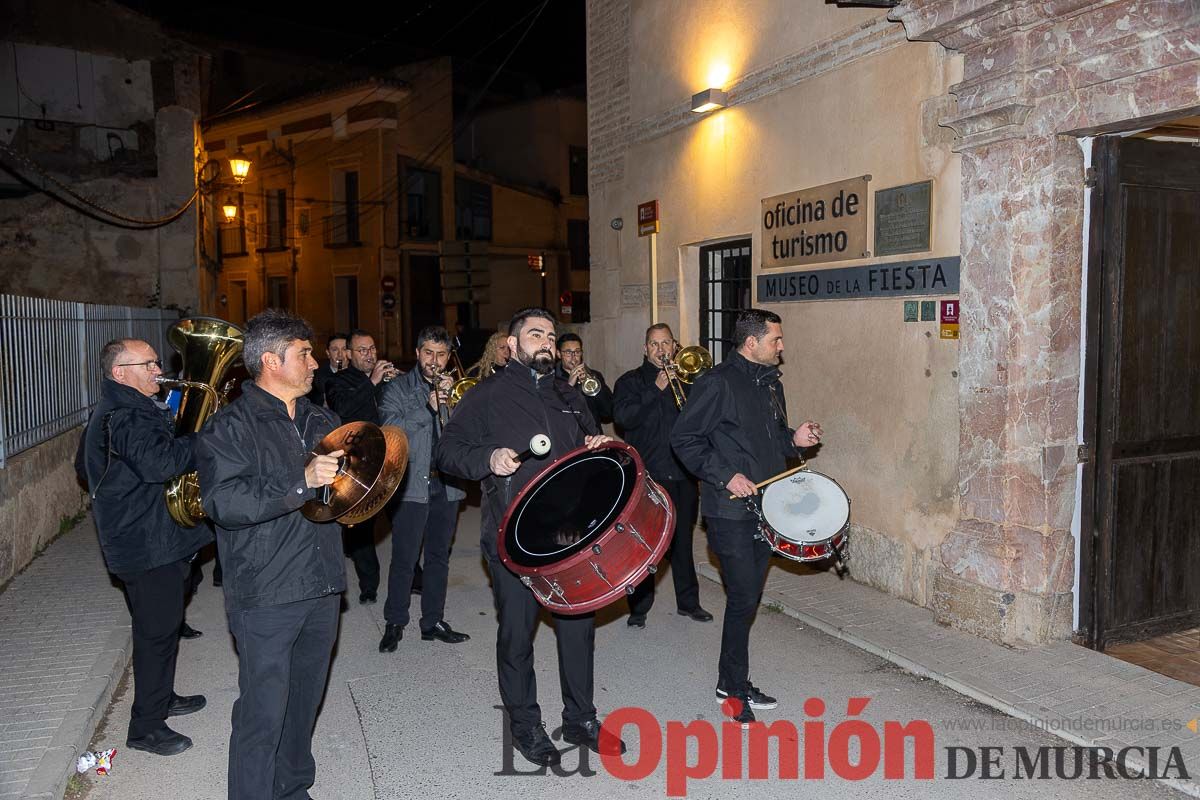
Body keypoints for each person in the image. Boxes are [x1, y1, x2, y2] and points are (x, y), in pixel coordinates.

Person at [437, 307, 626, 766]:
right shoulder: (487, 395)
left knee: (577, 630)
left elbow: (588, 445)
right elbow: (447, 451)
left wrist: (596, 447)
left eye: (550, 335)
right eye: (535, 334)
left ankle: (581, 719)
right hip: (513, 537)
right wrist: (489, 457)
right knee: (517, 636)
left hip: (568, 537)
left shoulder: (568, 393)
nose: (546, 341)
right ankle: (525, 725)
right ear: (513, 345)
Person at [195, 309, 345, 800]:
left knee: (304, 704)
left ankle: (292, 788)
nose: (316, 363)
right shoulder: (230, 427)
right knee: (263, 711)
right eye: (304, 353)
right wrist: (301, 481)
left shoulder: (322, 419)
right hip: (266, 591)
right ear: (270, 361)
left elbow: (339, 497)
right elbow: (225, 503)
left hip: (321, 582)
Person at [670, 309, 822, 727]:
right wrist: (724, 475)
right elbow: (684, 438)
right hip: (729, 510)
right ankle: (733, 689)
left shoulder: (771, 384)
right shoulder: (717, 383)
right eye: (776, 340)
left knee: (749, 597)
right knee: (742, 597)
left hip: (768, 506)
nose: (782, 347)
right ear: (751, 343)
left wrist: (795, 439)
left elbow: (773, 439)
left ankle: (731, 681)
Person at [80, 338, 212, 756]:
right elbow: (161, 464)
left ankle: (162, 698)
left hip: (150, 538)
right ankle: (145, 727)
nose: (159, 368)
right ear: (121, 373)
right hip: (145, 544)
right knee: (155, 634)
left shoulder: (121, 409)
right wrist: (203, 440)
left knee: (164, 627)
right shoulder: (126, 416)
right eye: (149, 364)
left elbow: (82, 467)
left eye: (157, 361)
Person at [376, 325, 470, 652]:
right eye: (428, 353)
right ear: (418, 353)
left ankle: (432, 621)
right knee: (404, 558)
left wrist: (455, 403)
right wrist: (428, 407)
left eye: (441, 354)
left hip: (446, 485)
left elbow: (468, 433)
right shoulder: (398, 389)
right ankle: (394, 622)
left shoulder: (453, 389)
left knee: (438, 558)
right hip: (411, 484)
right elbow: (390, 433)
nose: (434, 360)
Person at [613, 324, 712, 629]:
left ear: (674, 346)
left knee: (682, 541)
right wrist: (654, 389)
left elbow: (702, 421)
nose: (660, 349)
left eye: (665, 343)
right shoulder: (629, 382)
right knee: (647, 545)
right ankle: (639, 608)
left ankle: (689, 603)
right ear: (645, 349)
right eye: (654, 344)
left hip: (682, 474)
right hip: (648, 477)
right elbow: (624, 418)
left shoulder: (688, 380)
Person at [325, 329, 397, 604]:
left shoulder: (387, 379)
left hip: (391, 459)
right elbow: (343, 410)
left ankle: (413, 574)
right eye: (362, 350)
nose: (370, 355)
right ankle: (369, 584)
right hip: (359, 464)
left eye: (372, 349)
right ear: (350, 355)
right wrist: (372, 382)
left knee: (402, 520)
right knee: (362, 527)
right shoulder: (338, 381)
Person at [556, 333, 613, 428]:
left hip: (593, 437)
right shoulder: (551, 379)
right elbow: (555, 415)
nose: (574, 357)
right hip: (567, 437)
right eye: (568, 352)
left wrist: (595, 388)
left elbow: (608, 413)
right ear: (558, 354)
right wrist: (569, 386)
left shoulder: (594, 375)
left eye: (577, 352)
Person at [307, 332, 348, 407]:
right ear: (328, 353)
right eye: (335, 350)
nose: (340, 354)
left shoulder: (358, 373)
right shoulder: (316, 377)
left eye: (344, 349)